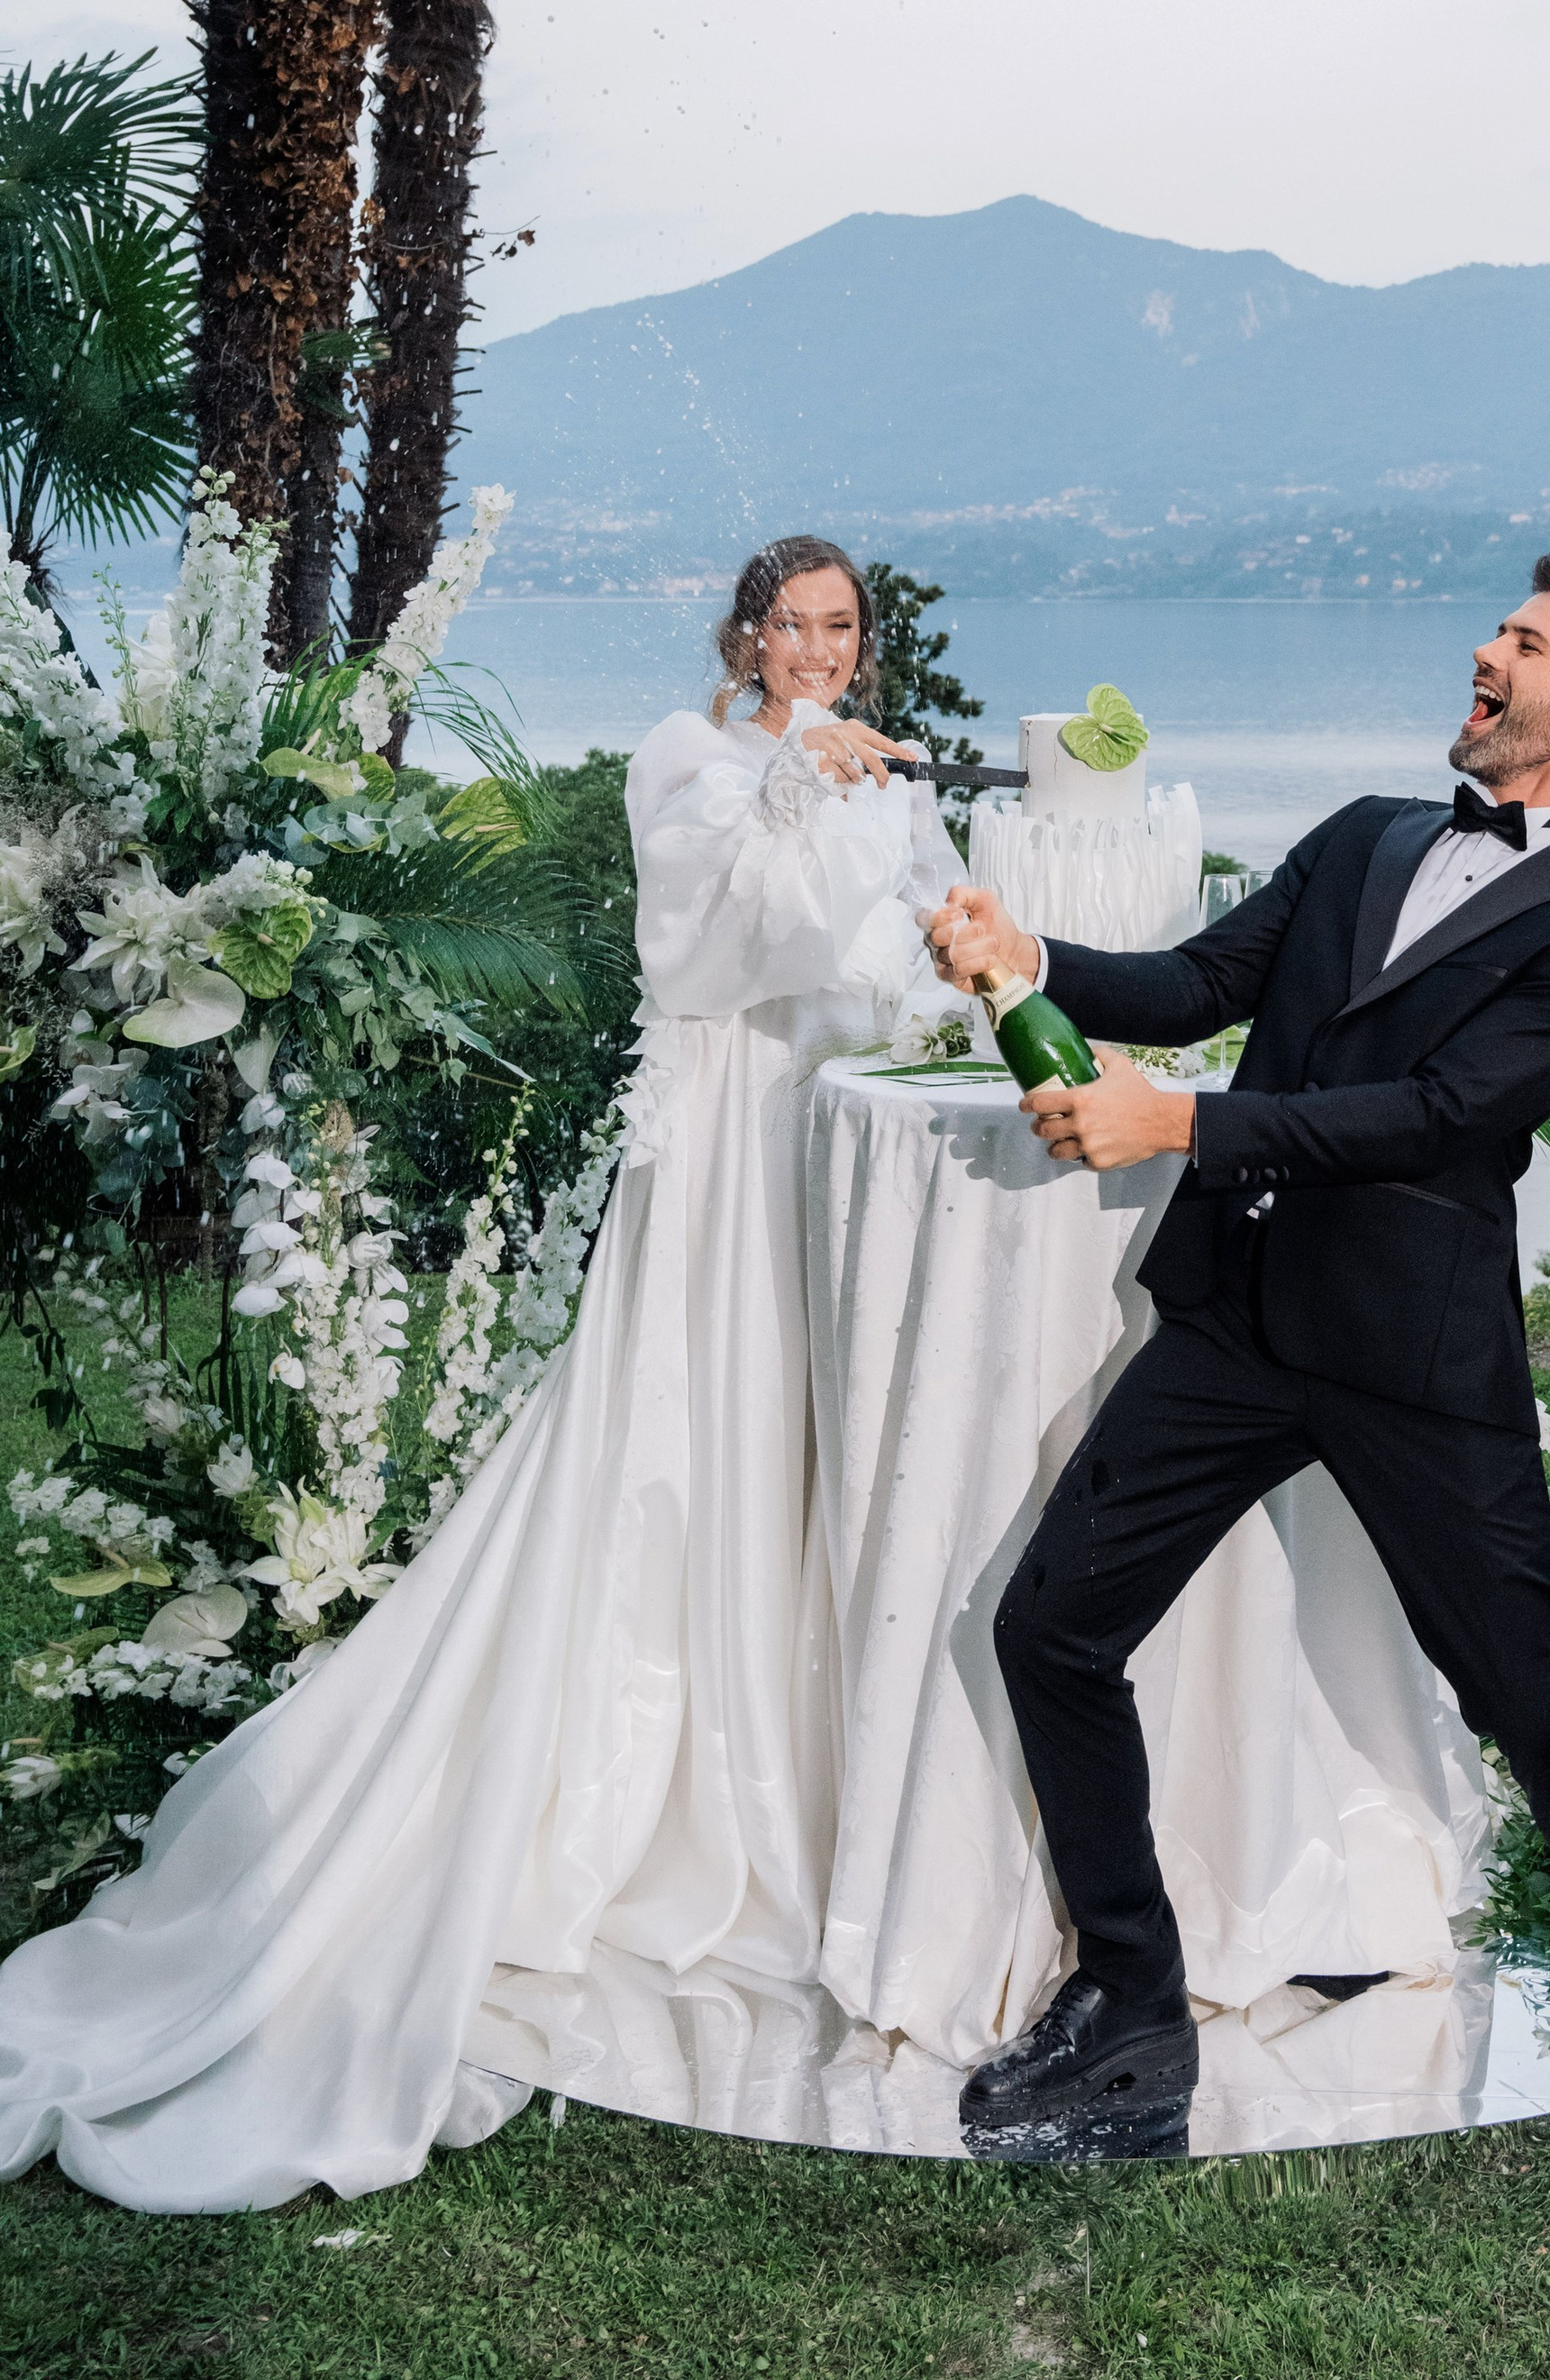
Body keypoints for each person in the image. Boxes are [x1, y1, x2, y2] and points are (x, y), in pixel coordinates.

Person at [0, 537, 958, 2211]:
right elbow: (703, 955)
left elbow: (896, 953)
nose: (819, 649)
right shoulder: (693, 756)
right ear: (747, 633)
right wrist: (807, 779)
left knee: (821, 1436)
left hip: (829, 1139)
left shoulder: (878, 778)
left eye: (842, 628)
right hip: (724, 1147)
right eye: (793, 625)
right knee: (695, 1430)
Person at [927, 552, 1550, 2151]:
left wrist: (1180, 1120)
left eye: (1525, 641)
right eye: (1497, 627)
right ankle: (1133, 2000)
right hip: (1241, 1313)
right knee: (1050, 1629)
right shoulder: (1365, 831)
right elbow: (1208, 982)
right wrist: (1036, 958)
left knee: (1525, 1689)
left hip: (1413, 1352)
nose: (1486, 649)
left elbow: (1437, 1117)